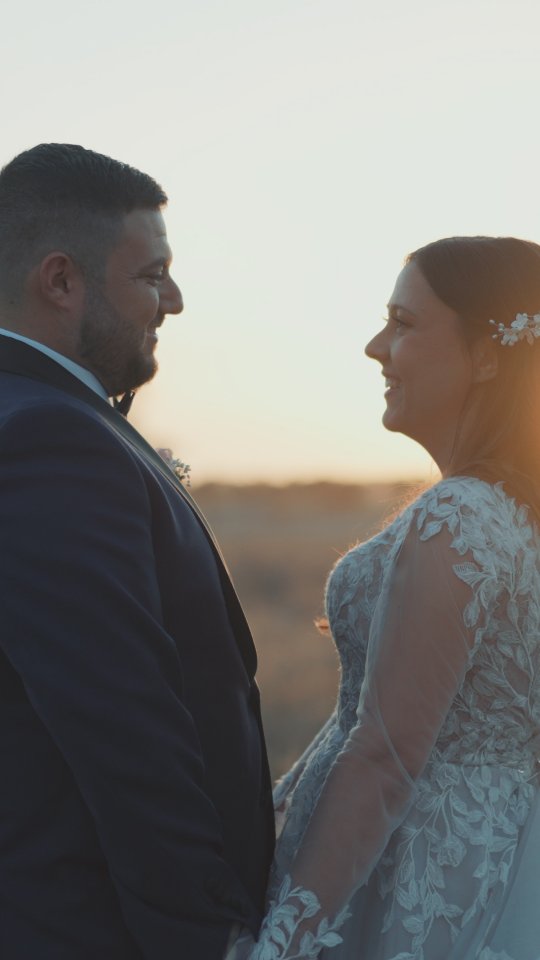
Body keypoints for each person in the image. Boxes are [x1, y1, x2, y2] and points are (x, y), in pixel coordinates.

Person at [0, 143, 274, 959]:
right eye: (153, 275)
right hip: (92, 927)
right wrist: (208, 936)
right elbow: (122, 724)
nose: (176, 300)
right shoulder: (50, 439)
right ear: (61, 280)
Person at [235, 236, 540, 959]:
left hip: (421, 880)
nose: (377, 347)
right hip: (507, 861)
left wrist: (285, 938)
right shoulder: (519, 515)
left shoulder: (459, 518)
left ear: (489, 355)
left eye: (403, 324)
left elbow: (386, 753)